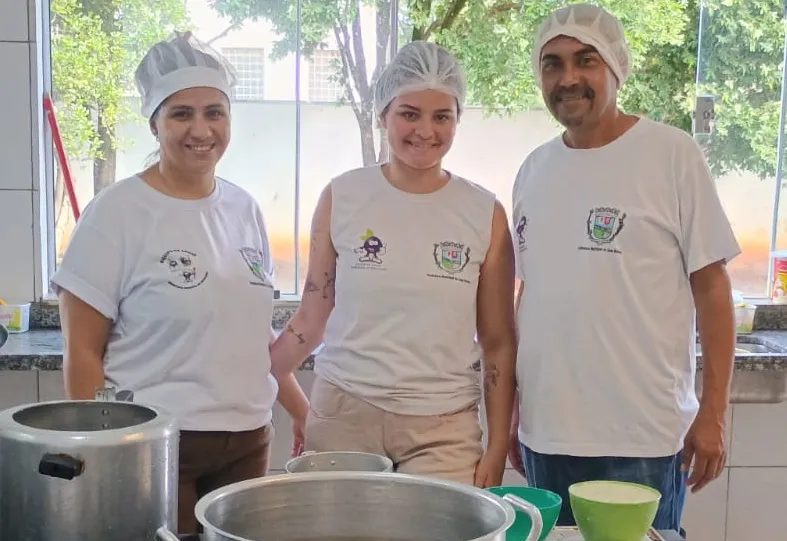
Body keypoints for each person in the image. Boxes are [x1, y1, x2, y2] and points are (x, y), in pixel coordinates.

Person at [50, 31, 310, 536]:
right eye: (181, 113)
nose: (201, 129)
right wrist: (100, 450)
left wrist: (302, 410)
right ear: (154, 123)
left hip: (250, 437)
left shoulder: (244, 209)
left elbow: (253, 334)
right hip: (156, 439)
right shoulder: (119, 213)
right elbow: (82, 353)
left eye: (215, 111)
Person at [507, 3, 740, 532]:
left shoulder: (670, 155)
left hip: (642, 434)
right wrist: (520, 404)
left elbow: (711, 288)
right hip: (548, 433)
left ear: (616, 67)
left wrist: (713, 411)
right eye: (552, 63)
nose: (568, 78)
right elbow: (533, 294)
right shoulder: (533, 171)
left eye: (585, 60)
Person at [269, 41, 517, 487]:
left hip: (444, 428)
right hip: (345, 414)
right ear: (383, 114)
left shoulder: (484, 213)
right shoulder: (342, 197)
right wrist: (248, 374)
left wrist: (497, 444)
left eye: (442, 116)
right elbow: (312, 315)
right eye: (409, 113)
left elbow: (498, 340)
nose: (425, 130)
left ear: (458, 120)